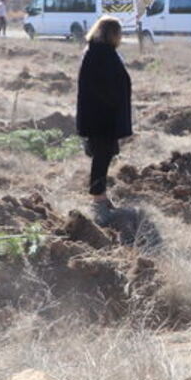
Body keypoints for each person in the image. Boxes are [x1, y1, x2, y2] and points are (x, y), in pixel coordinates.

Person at [76, 16, 131, 228]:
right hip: (102, 116)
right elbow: (102, 87)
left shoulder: (98, 51)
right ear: (111, 33)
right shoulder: (100, 54)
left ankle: (101, 194)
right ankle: (97, 199)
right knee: (101, 156)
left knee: (104, 155)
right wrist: (113, 105)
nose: (120, 37)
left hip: (102, 115)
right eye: (119, 33)